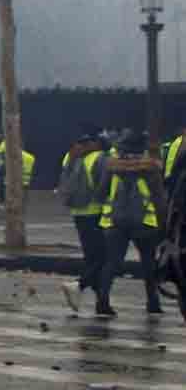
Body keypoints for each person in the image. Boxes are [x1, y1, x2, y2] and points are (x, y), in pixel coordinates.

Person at [95, 131, 164, 319]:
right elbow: (159, 198)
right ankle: (152, 302)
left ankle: (102, 300)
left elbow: (100, 193)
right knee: (148, 263)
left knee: (112, 262)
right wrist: (164, 224)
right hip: (145, 223)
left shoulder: (111, 168)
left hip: (114, 222)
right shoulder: (151, 169)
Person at [59, 128, 109, 307]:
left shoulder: (69, 157)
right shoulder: (98, 158)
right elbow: (103, 187)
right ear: (92, 143)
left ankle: (102, 302)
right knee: (103, 258)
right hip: (95, 213)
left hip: (77, 213)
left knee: (92, 258)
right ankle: (78, 286)